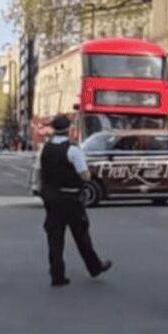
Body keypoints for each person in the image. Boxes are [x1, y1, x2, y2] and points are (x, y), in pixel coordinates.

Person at [37, 115, 112, 287]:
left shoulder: (46, 148)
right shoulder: (72, 150)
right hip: (70, 197)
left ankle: (57, 275)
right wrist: (89, 175)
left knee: (55, 237)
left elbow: (42, 171)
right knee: (81, 235)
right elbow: (84, 175)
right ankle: (94, 266)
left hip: (51, 197)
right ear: (70, 129)